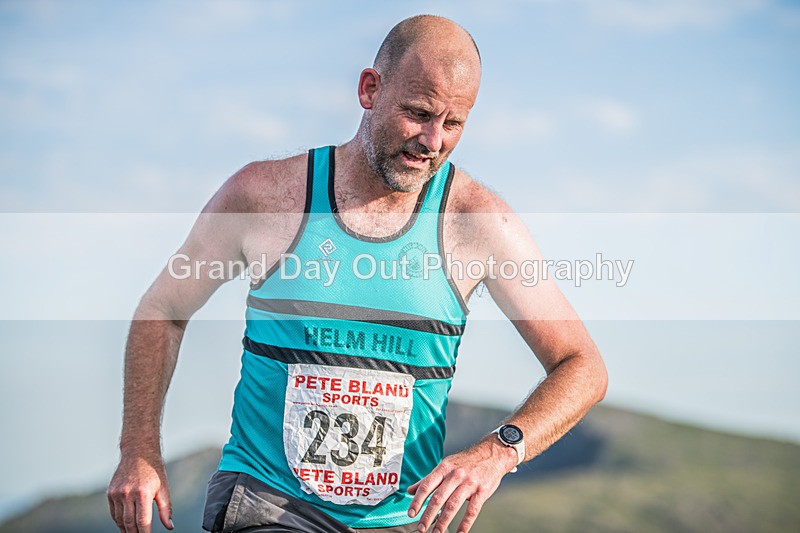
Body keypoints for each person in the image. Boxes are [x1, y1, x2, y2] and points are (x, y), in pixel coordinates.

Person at [107, 14, 607, 533]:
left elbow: (582, 366)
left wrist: (499, 451)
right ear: (370, 89)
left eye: (453, 124)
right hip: (269, 505)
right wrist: (139, 451)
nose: (432, 141)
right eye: (418, 113)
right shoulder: (265, 198)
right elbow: (164, 310)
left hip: (401, 520)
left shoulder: (479, 223)